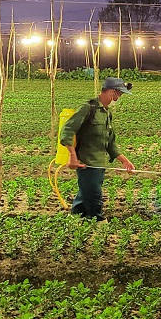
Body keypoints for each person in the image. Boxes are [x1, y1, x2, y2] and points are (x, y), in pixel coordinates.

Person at [59, 77, 135, 220]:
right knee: (94, 196)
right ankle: (97, 223)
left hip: (100, 164)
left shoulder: (107, 113)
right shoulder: (88, 108)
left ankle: (76, 219)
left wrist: (124, 160)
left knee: (84, 195)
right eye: (119, 94)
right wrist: (72, 155)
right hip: (87, 163)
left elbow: (110, 142)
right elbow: (67, 130)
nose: (118, 99)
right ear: (112, 92)